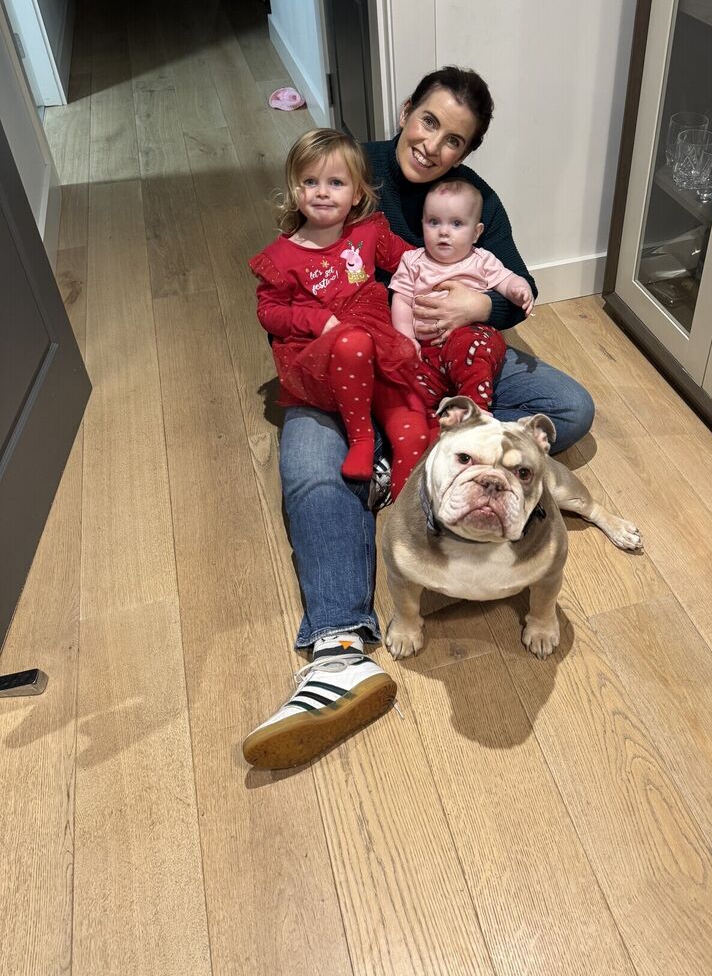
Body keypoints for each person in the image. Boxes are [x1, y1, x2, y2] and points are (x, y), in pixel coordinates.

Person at [242, 66, 595, 770]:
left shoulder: (474, 198)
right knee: (311, 467)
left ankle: (453, 448)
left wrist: (479, 307)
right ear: (406, 111)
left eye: (454, 140)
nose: (433, 146)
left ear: (466, 154)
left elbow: (520, 288)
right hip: (352, 365)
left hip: (447, 359)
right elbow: (289, 281)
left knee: (573, 408)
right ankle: (340, 645)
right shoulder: (348, 167)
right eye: (428, 122)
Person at [248, 129, 430, 499]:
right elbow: (268, 313)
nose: (322, 192)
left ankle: (404, 511)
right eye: (309, 182)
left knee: (415, 433)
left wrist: (460, 273)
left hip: (381, 356)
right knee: (352, 342)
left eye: (335, 182)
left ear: (357, 193)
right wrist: (317, 320)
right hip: (324, 364)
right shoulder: (281, 257)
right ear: (294, 189)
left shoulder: (367, 233)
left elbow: (410, 261)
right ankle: (362, 438)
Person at [390, 178, 534, 413]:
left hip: (473, 339)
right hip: (427, 350)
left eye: (457, 224)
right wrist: (408, 339)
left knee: (472, 350)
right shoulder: (413, 261)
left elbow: (508, 280)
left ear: (476, 232)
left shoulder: (482, 260)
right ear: (422, 224)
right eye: (434, 222)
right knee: (410, 390)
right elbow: (402, 301)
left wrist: (519, 290)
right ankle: (439, 423)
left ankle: (475, 412)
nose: (444, 232)